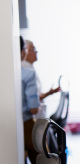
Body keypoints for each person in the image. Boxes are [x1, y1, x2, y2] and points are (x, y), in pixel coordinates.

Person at [21, 40, 61, 118]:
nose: (36, 52)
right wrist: (47, 94)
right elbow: (30, 100)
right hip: (32, 117)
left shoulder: (31, 68)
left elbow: (36, 95)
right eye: (33, 50)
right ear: (26, 50)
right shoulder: (26, 72)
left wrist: (49, 93)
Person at [20, 36, 40, 164]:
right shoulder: (27, 74)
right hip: (26, 123)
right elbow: (34, 109)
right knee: (42, 155)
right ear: (23, 52)